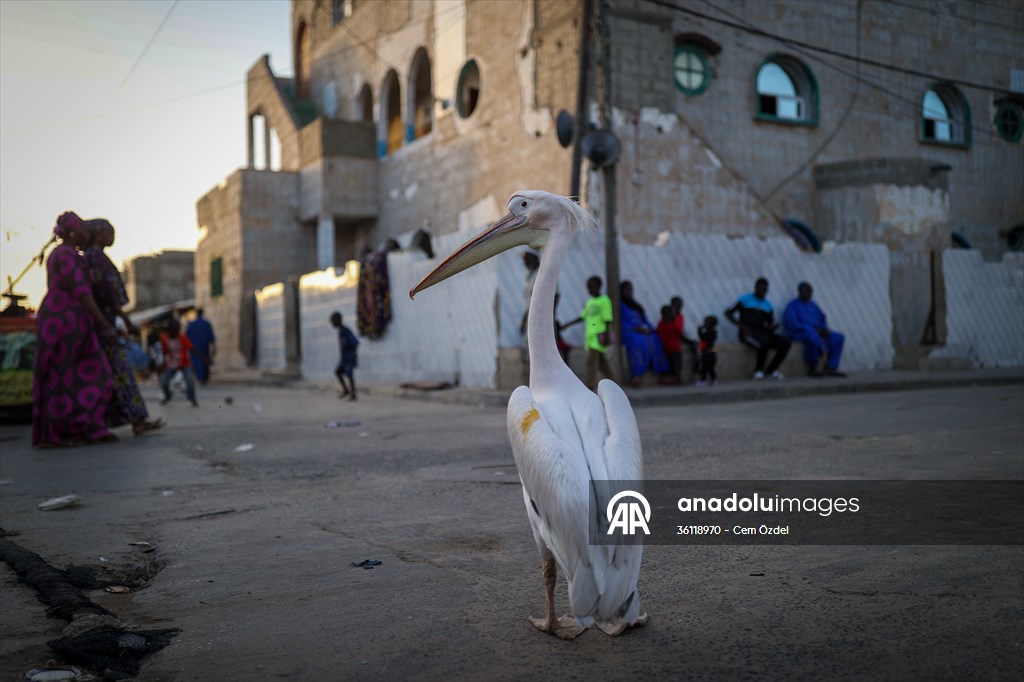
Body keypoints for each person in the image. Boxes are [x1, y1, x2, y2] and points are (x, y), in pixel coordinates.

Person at [32, 211, 118, 448]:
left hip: (63, 318)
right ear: (72, 232)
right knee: (70, 376)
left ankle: (82, 429)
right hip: (64, 320)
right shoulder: (67, 255)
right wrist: (104, 324)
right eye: (81, 228)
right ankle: (63, 433)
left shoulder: (61, 254)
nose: (86, 232)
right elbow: (82, 293)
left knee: (66, 376)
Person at [84, 218, 164, 435]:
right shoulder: (97, 258)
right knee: (121, 373)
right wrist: (126, 321)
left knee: (109, 375)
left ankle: (120, 421)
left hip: (100, 325)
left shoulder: (91, 258)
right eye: (110, 232)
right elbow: (109, 296)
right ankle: (136, 420)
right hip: (105, 326)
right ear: (100, 234)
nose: (113, 237)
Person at [725, 277, 791, 380]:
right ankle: (758, 371)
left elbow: (769, 324)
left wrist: (772, 327)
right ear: (756, 288)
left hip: (763, 333)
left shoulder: (768, 305)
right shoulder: (745, 299)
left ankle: (771, 371)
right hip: (748, 333)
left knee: (785, 343)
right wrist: (742, 326)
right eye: (761, 289)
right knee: (762, 343)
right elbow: (728, 312)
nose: (763, 292)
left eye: (765, 290)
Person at [783, 282, 846, 377]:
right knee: (813, 337)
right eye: (807, 291)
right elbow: (793, 324)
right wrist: (812, 330)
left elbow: (822, 318)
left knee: (838, 337)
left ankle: (831, 367)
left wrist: (824, 329)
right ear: (800, 292)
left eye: (810, 291)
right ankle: (813, 366)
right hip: (799, 333)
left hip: (817, 331)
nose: (809, 294)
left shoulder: (813, 305)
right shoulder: (793, 306)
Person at [562, 276, 614, 391]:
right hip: (590, 337)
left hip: (599, 336)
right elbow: (582, 317)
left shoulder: (604, 300)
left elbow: (608, 319)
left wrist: (606, 335)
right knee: (602, 362)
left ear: (598, 287)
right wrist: (568, 324)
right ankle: (613, 382)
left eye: (591, 287)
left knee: (591, 361)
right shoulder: (590, 302)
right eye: (588, 287)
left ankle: (590, 386)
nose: (589, 290)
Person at [619, 281, 668, 388]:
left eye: (630, 289)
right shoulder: (619, 306)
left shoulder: (636, 305)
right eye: (627, 289)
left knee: (655, 339)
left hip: (641, 330)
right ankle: (637, 375)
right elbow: (620, 323)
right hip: (629, 332)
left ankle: (662, 373)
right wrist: (636, 329)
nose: (629, 292)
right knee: (638, 341)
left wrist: (648, 329)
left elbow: (644, 320)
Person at [159, 319, 200, 406]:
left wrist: (204, 358)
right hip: (172, 363)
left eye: (178, 329)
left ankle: (192, 398)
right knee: (164, 381)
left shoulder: (182, 338)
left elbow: (192, 348)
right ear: (170, 329)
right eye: (175, 330)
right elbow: (164, 352)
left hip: (185, 363)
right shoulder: (164, 339)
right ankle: (167, 396)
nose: (176, 332)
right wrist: (163, 363)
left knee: (189, 381)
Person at [330, 311, 359, 400]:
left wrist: (353, 356)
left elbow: (355, 343)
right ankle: (346, 390)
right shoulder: (340, 332)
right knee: (338, 372)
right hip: (344, 359)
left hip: (349, 357)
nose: (332, 323)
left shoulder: (346, 331)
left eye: (333, 321)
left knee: (350, 375)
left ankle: (353, 394)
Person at [186, 308, 216, 385]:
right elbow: (211, 337)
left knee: (197, 363)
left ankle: (201, 378)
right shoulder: (206, 323)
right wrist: (214, 347)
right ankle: (203, 378)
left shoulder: (191, 324)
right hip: (204, 347)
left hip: (194, 349)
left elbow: (187, 338)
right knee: (204, 362)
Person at [671, 296, 699, 374]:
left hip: (679, 336)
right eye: (676, 305)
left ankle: (697, 366)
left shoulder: (680, 316)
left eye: (680, 305)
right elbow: (675, 329)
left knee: (696, 345)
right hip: (673, 337)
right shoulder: (668, 315)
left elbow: (680, 329)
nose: (679, 307)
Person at [656, 306, 683, 385]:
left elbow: (657, 331)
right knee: (677, 365)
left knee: (670, 365)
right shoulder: (673, 323)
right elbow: (679, 332)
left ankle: (670, 380)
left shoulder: (662, 323)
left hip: (666, 347)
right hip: (675, 348)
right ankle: (678, 380)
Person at [697, 315, 719, 386]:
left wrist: (700, 330)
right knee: (711, 368)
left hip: (707, 352)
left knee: (705, 368)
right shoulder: (714, 331)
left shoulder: (708, 332)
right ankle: (714, 380)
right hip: (712, 352)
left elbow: (703, 337)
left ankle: (703, 381)